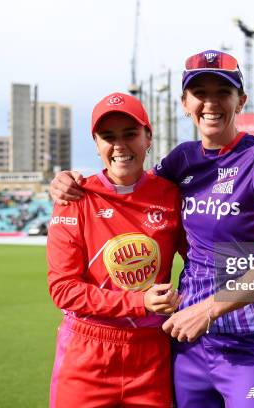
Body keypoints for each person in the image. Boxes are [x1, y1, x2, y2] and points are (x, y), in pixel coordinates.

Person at [50, 50, 254, 408]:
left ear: (240, 100)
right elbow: (127, 183)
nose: (210, 103)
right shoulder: (181, 161)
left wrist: (209, 309)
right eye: (200, 93)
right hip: (188, 344)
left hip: (250, 339)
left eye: (223, 92)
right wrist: (67, 182)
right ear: (185, 103)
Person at [46, 92, 183, 408]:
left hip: (152, 354)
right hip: (86, 352)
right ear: (96, 144)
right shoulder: (75, 197)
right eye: (108, 137)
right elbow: (63, 290)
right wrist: (140, 301)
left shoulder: (170, 195)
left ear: (148, 137)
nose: (119, 145)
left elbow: (201, 257)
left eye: (130, 134)